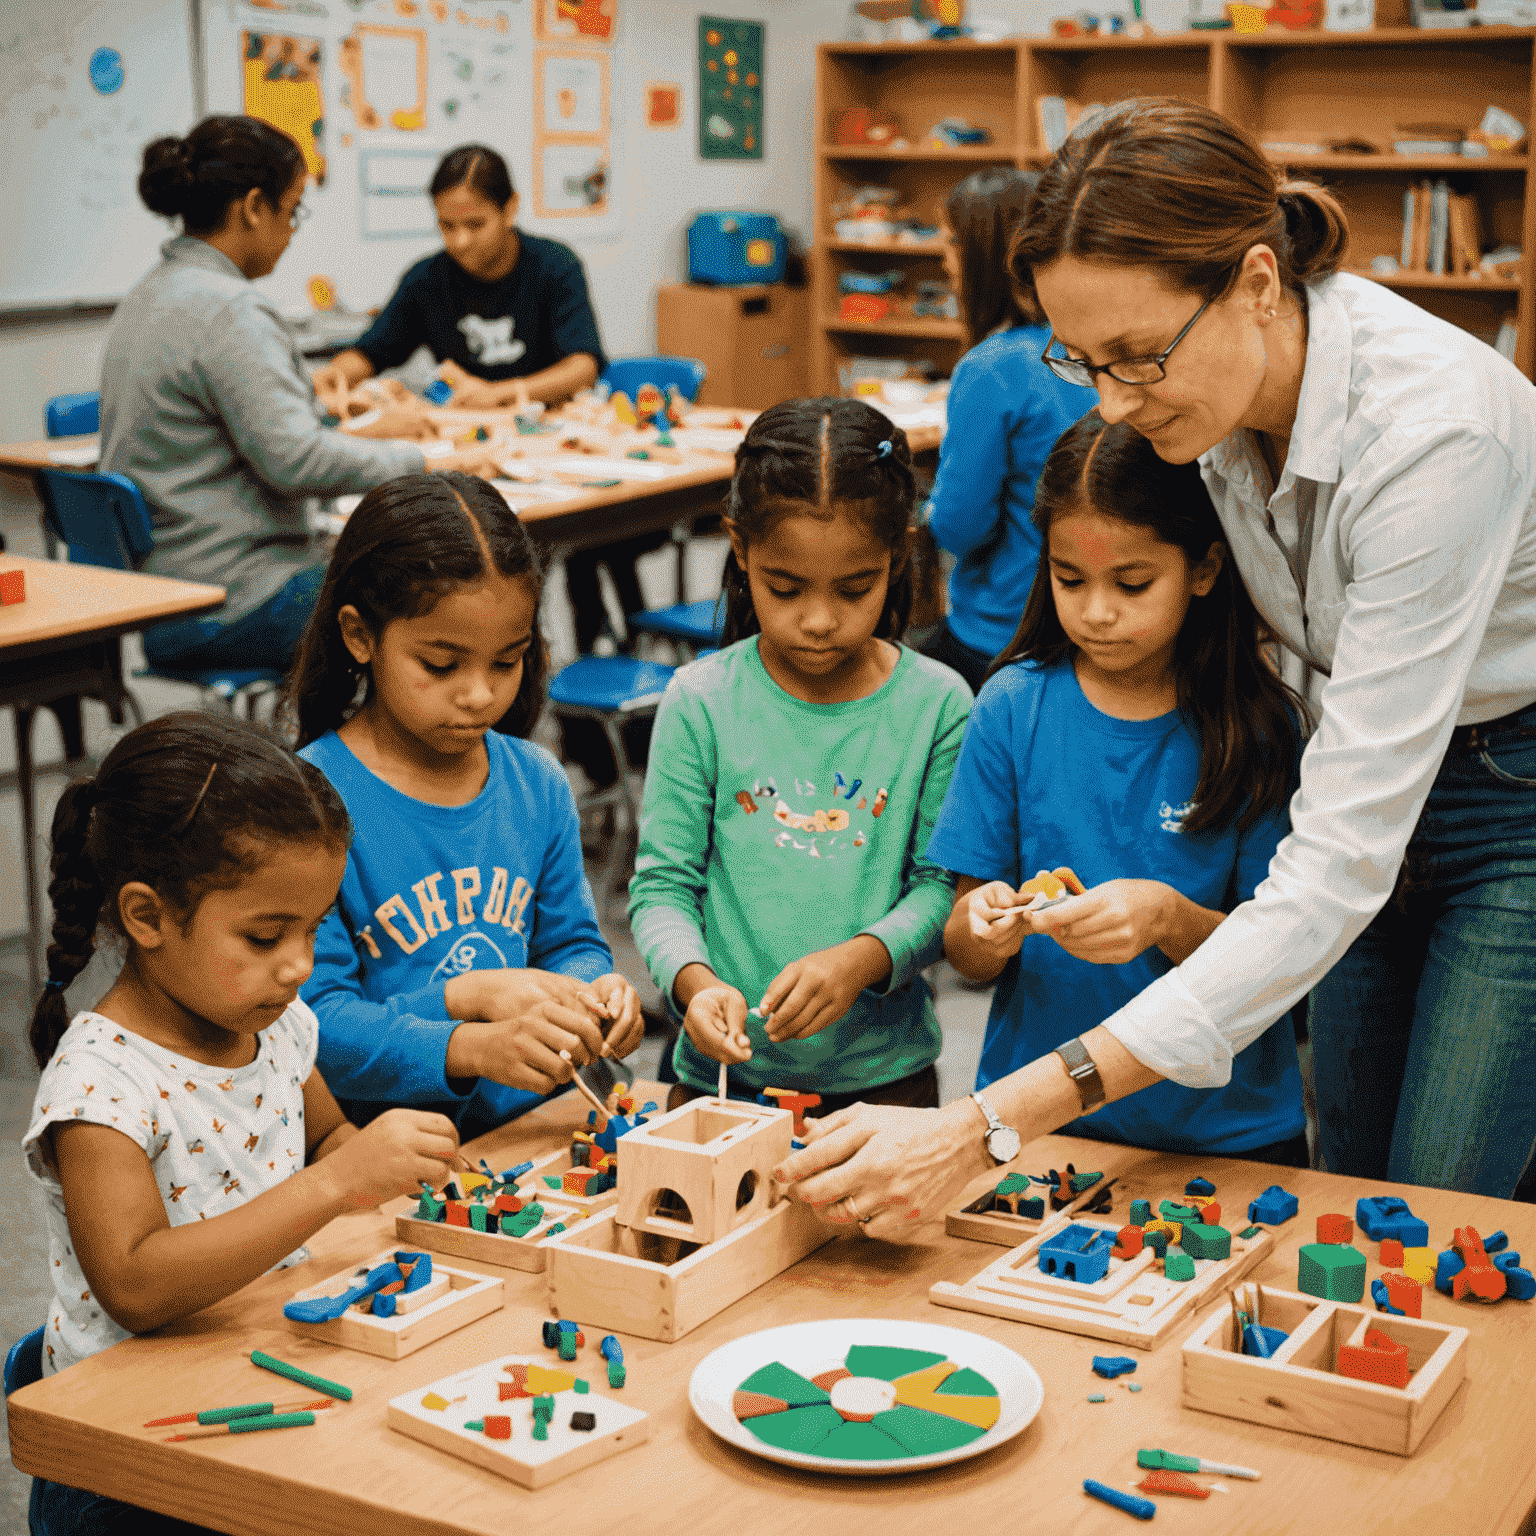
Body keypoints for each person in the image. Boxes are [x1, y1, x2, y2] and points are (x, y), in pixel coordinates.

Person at [770, 96, 1536, 1237]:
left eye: (1138, 357)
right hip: (1362, 777)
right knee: (1353, 1182)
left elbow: (1328, 875)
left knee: (1435, 1207)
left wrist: (990, 1122)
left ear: (1260, 285)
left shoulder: (1434, 436)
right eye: (1085, 361)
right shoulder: (1211, 402)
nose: (1115, 404)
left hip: (1507, 797)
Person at [23, 713, 461, 1535]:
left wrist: (384, 1171)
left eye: (314, 929)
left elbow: (329, 1138)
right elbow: (137, 1284)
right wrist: (333, 1185)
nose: (299, 964)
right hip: (132, 1442)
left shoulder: (275, 1023)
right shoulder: (100, 1083)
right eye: (266, 935)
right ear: (148, 918)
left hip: (253, 1360)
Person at [932, 411, 1307, 1164]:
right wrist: (987, 924)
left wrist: (1168, 918)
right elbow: (963, 950)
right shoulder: (1012, 706)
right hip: (1039, 1121)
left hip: (1226, 1135)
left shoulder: (1254, 728)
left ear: (1204, 569)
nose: (1096, 611)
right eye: (1069, 578)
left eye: (1132, 583)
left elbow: (1286, 966)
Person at [628, 398, 972, 1117]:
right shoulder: (701, 699)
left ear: (897, 556)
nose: (818, 620)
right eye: (785, 589)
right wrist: (695, 984)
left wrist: (863, 958)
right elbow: (663, 888)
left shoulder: (937, 706)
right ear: (740, 548)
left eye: (855, 590)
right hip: (721, 1083)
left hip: (884, 1086)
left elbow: (942, 889)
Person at [287, 473, 644, 1141]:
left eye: (505, 663)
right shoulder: (310, 804)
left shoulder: (535, 783)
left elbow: (570, 944)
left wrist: (594, 992)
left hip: (531, 1127)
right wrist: (467, 1014)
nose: (479, 695)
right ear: (361, 637)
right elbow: (311, 1029)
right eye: (441, 664)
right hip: (385, 1154)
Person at [103, 116, 495, 677]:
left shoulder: (150, 293)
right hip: (237, 597)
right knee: (450, 608)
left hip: (169, 590)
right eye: (292, 212)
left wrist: (356, 431)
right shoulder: (230, 309)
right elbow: (293, 461)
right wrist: (429, 463)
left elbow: (262, 440)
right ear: (254, 207)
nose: (291, 231)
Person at [921, 168, 1095, 693]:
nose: (943, 257)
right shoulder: (1097, 347)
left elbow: (960, 527)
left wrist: (928, 507)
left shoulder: (993, 368)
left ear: (984, 252)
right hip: (1093, 624)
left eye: (952, 241)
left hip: (1003, 632)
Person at [312, 144, 604, 411]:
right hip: (463, 429)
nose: (460, 241)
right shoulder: (426, 279)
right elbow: (370, 353)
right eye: (447, 225)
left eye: (475, 225)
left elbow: (582, 367)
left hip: (547, 425)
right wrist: (333, 376)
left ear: (510, 209)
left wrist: (499, 393)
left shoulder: (555, 266)